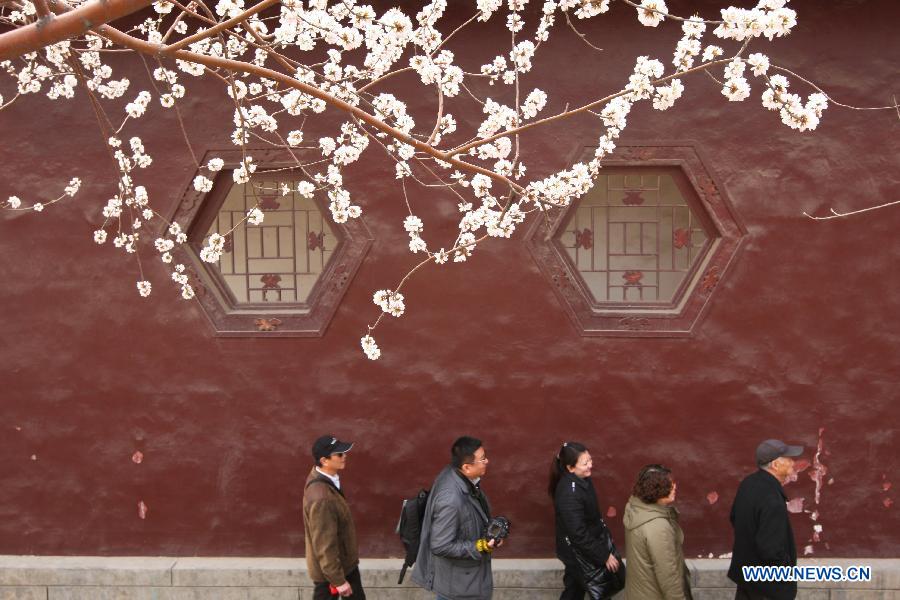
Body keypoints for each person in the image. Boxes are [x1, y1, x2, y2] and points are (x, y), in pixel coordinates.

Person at [411, 436, 500, 600]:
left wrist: (490, 534)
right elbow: (440, 545)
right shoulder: (451, 499)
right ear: (466, 467)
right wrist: (480, 547)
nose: (487, 461)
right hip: (459, 589)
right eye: (482, 459)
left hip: (467, 582)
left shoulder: (460, 476)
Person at [728, 439, 804, 600]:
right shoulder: (772, 498)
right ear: (775, 465)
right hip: (767, 588)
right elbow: (771, 549)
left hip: (748, 580)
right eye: (788, 459)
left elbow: (734, 518)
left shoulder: (748, 484)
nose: (793, 462)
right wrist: (787, 572)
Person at [549, 442, 621, 600]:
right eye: (585, 463)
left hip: (583, 550)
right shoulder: (570, 493)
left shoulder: (582, 480)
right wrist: (604, 556)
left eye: (590, 460)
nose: (590, 465)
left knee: (574, 589)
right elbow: (578, 534)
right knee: (587, 590)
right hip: (578, 552)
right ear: (570, 468)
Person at [302, 435, 366, 599]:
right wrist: (338, 581)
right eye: (339, 454)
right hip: (332, 572)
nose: (345, 456)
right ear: (324, 460)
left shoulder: (325, 479)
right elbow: (324, 544)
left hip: (343, 564)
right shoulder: (322, 498)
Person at [623, 464, 693, 600]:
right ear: (656, 489)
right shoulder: (658, 526)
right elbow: (668, 574)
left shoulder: (635, 509)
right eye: (669, 484)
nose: (675, 487)